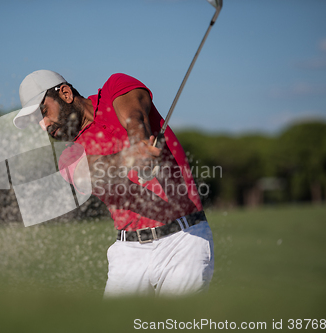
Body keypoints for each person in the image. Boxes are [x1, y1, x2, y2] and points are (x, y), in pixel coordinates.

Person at [13, 70, 214, 297]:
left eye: (43, 112)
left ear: (66, 93)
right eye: (36, 122)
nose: (43, 126)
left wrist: (139, 143)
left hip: (184, 240)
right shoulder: (67, 157)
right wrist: (131, 158)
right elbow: (89, 173)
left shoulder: (115, 87)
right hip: (129, 252)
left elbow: (134, 117)